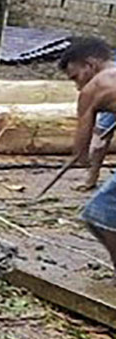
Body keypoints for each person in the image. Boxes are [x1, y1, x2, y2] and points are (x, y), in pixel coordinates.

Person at [59, 40, 116, 274]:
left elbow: (81, 147)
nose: (77, 86)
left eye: (75, 78)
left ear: (90, 66)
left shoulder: (94, 87)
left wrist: (79, 157)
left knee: (97, 215)